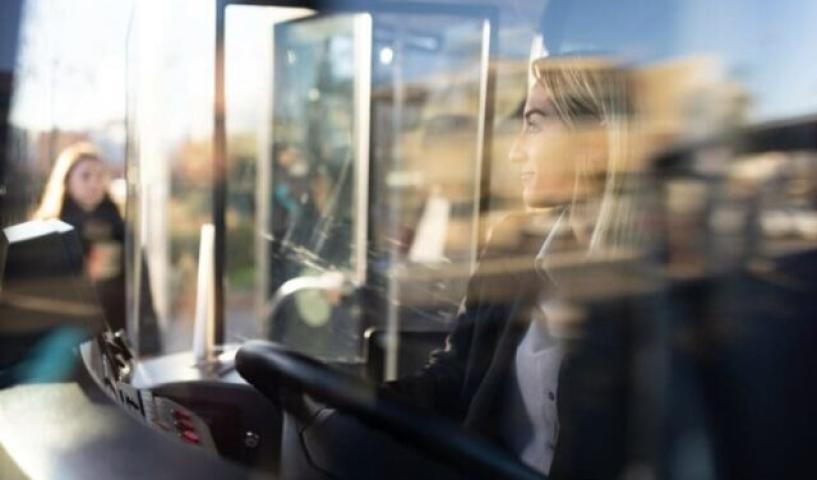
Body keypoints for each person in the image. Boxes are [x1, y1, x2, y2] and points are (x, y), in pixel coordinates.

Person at [285, 56, 644, 480]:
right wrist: (349, 397)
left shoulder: (651, 285)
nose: (514, 151)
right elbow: (455, 376)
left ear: (593, 142)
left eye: (533, 122)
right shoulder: (516, 246)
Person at [34, 142, 161, 354]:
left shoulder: (120, 230)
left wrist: (149, 345)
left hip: (117, 339)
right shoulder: (48, 231)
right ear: (66, 181)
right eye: (85, 176)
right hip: (66, 341)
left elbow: (142, 291)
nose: (94, 183)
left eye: (100, 176)